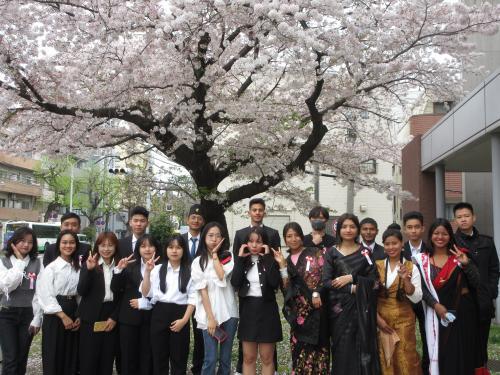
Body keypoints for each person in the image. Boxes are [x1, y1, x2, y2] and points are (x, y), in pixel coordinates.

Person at [414, 218, 480, 375]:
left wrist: (466, 264)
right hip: (433, 313)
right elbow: (421, 289)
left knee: (459, 354)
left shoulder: (460, 257)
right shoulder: (421, 260)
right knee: (438, 353)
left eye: (444, 233)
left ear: (450, 236)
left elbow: (476, 282)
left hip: (459, 314)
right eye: (436, 233)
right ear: (430, 236)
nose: (440, 237)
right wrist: (436, 306)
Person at [322, 213, 380, 374]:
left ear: (357, 230)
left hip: (360, 310)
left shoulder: (365, 253)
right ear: (339, 229)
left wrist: (352, 278)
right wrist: (352, 288)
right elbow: (326, 282)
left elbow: (375, 283)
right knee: (341, 348)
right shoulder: (331, 252)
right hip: (338, 311)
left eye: (352, 226)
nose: (348, 230)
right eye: (344, 226)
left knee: (361, 348)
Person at [232, 197, 280, 374]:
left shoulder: (273, 234)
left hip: (267, 306)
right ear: (249, 212)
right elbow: (235, 281)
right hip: (248, 307)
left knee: (267, 357)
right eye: (254, 209)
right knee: (248, 356)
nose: (254, 244)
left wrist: (268, 258)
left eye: (261, 210)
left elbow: (274, 280)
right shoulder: (240, 234)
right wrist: (239, 259)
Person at [453, 202, 499, 374]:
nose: (463, 220)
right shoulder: (453, 243)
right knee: (465, 343)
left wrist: (492, 291)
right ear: (455, 220)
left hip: (484, 301)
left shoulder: (487, 241)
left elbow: (494, 268)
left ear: (473, 217)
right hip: (463, 302)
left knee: (482, 342)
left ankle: (483, 370)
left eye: (466, 216)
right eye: (459, 217)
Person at [141, 234, 196, 375]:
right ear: (166, 249)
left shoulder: (190, 271)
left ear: (184, 250)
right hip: (159, 314)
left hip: (180, 315)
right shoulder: (158, 269)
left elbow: (193, 299)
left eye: (178, 247)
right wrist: (147, 272)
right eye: (171, 247)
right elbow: (146, 293)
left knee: (179, 358)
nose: (174, 251)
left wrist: (184, 320)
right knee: (159, 358)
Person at [280, 222, 330, 374]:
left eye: (296, 235)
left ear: (302, 237)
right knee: (299, 354)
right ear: (285, 239)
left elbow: (326, 276)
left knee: (319, 354)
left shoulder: (315, 252)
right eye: (289, 236)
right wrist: (282, 267)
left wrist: (317, 292)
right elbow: (285, 288)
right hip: (299, 315)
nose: (293, 239)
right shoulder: (286, 261)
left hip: (317, 309)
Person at [191, 222, 239, 375]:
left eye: (218, 236)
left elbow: (221, 276)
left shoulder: (228, 258)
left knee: (225, 359)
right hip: (208, 314)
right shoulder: (198, 262)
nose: (214, 239)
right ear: (204, 237)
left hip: (229, 312)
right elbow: (202, 291)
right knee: (210, 359)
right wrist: (210, 318)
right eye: (210, 235)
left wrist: (215, 256)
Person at [376, 228, 422, 375]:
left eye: (394, 243)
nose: (391, 247)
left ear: (402, 244)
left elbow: (416, 297)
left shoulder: (411, 267)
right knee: (385, 358)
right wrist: (377, 320)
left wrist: (406, 280)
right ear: (383, 246)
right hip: (381, 319)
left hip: (404, 320)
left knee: (406, 358)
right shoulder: (376, 266)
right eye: (387, 244)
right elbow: (369, 297)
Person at [111, 234, 159, 375]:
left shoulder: (162, 267)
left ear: (156, 248)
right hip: (129, 317)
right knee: (127, 356)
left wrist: (145, 303)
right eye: (143, 246)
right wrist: (119, 270)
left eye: (150, 245)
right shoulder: (130, 265)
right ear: (138, 249)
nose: (147, 249)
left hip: (151, 318)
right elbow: (116, 289)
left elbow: (163, 293)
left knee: (147, 356)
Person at [35, 230, 81, 375]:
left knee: (70, 354)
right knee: (54, 354)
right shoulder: (51, 268)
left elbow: (79, 294)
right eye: (64, 242)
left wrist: (79, 315)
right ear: (59, 245)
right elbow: (46, 294)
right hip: (55, 314)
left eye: (72, 242)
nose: (68, 245)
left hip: (73, 309)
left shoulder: (77, 268)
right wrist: (62, 315)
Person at [78, 232, 121, 375]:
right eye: (103, 245)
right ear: (97, 246)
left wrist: (114, 317)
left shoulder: (120, 266)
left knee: (107, 359)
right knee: (88, 360)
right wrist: (89, 271)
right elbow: (82, 291)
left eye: (110, 245)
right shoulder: (90, 264)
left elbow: (122, 296)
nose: (106, 249)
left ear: (115, 247)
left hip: (111, 314)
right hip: (91, 317)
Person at [0, 227, 42, 375]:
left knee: (22, 357)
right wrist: (19, 262)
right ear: (14, 242)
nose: (26, 245)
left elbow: (40, 292)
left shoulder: (37, 263)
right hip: (7, 314)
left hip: (28, 315)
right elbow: (7, 286)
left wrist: (37, 318)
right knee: (10, 358)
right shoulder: (3, 261)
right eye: (22, 241)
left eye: (30, 242)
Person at [402, 210, 431, 375]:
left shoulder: (430, 249)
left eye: (417, 227)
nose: (413, 231)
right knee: (407, 337)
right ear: (405, 229)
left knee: (428, 337)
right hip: (406, 300)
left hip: (427, 301)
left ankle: (427, 369)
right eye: (410, 227)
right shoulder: (399, 250)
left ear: (423, 229)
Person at [182, 204, 205, 375]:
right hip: (181, 293)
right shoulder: (178, 240)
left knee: (200, 334)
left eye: (199, 218)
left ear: (203, 221)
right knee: (180, 332)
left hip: (201, 293)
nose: (195, 220)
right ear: (187, 219)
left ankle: (197, 368)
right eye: (193, 217)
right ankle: (179, 366)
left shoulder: (207, 240)